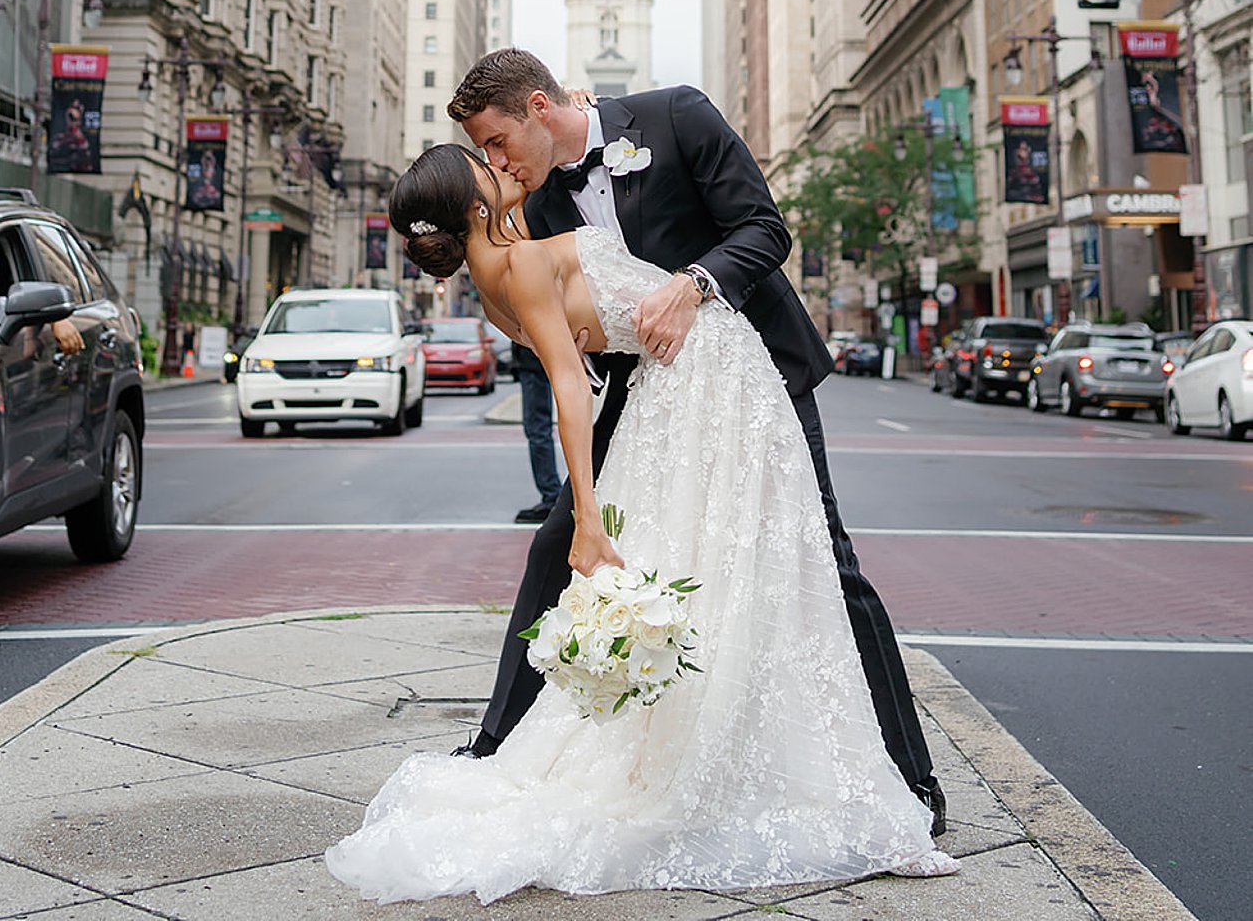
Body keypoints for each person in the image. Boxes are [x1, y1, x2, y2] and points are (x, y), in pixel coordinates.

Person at [324, 143, 955, 899]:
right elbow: (570, 391)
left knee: (720, 571)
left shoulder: (497, 280)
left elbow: (564, 305)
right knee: (763, 567)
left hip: (683, 390)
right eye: (488, 165)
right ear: (481, 207)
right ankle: (773, 765)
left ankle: (731, 750)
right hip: (710, 377)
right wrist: (586, 516)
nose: (502, 165)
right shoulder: (521, 265)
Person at [444, 50, 944, 833]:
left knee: (827, 559)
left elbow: (764, 229)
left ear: (539, 107)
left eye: (498, 141)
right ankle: (495, 746)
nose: (495, 160)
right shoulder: (537, 205)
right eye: (484, 152)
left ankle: (912, 780)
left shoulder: (676, 116)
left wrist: (694, 281)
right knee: (559, 544)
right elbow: (579, 310)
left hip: (757, 377)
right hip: (648, 393)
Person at [511, 339, 560, 522]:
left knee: (538, 430)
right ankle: (557, 496)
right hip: (543, 356)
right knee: (540, 429)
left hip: (535, 358)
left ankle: (552, 497)